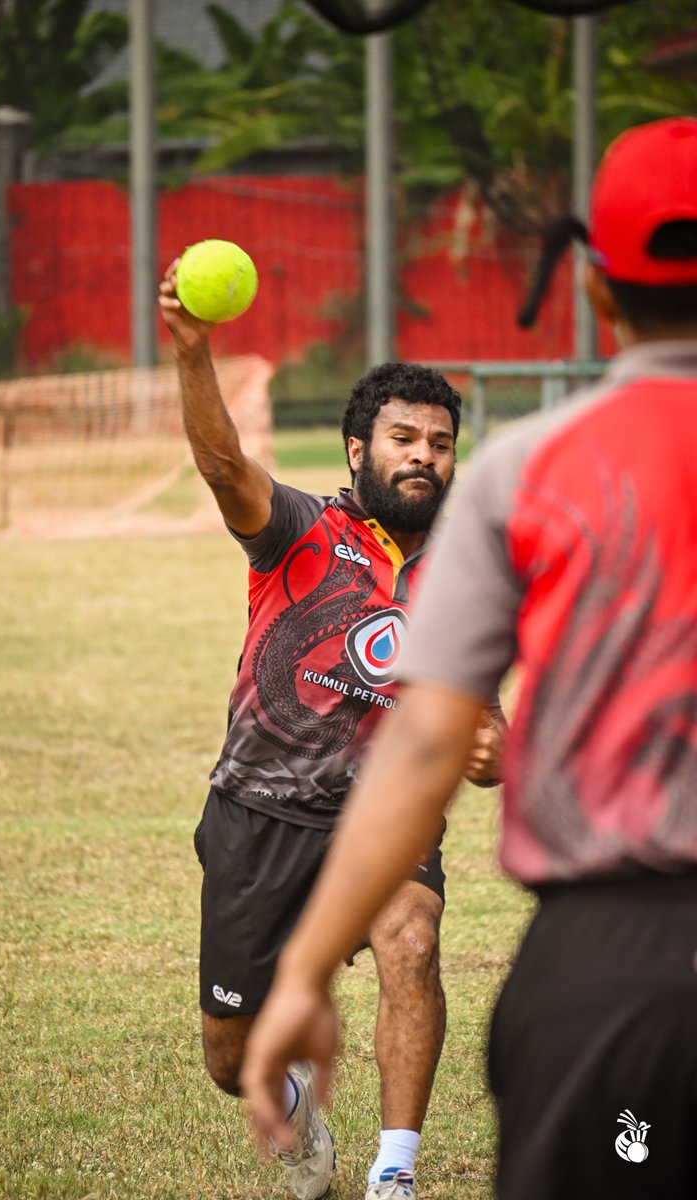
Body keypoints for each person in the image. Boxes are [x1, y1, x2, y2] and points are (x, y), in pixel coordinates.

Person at [240, 115, 697, 1200]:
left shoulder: (523, 471)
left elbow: (426, 740)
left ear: (592, 287)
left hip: (618, 974)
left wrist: (306, 971)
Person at [158, 264, 504, 1200]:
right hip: (260, 812)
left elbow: (488, 730)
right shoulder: (299, 530)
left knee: (413, 941)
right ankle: (297, 1103)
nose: (422, 455)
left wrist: (494, 752)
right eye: (402, 438)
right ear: (358, 449)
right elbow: (225, 466)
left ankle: (396, 1175)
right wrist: (195, 354)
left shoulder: (468, 578)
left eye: (439, 442)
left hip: (388, 817)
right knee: (230, 1061)